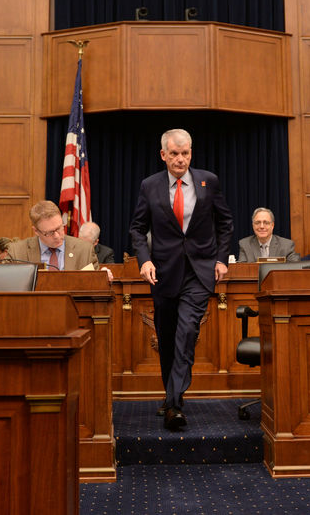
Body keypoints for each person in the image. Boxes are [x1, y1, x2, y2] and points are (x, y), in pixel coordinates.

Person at [129, 128, 233, 431]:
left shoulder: (207, 181)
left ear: (191, 153)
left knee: (187, 332)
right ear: (164, 155)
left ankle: (174, 404)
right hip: (163, 272)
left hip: (199, 271)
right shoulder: (150, 186)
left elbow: (225, 222)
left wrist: (221, 259)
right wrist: (144, 259)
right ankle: (171, 393)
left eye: (185, 153)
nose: (180, 159)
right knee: (168, 334)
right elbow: (137, 228)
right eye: (174, 153)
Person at [7, 200, 99, 270]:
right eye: (50, 233)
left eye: (59, 228)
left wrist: (103, 278)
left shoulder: (84, 250)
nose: (57, 236)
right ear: (36, 231)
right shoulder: (17, 253)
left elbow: (94, 287)